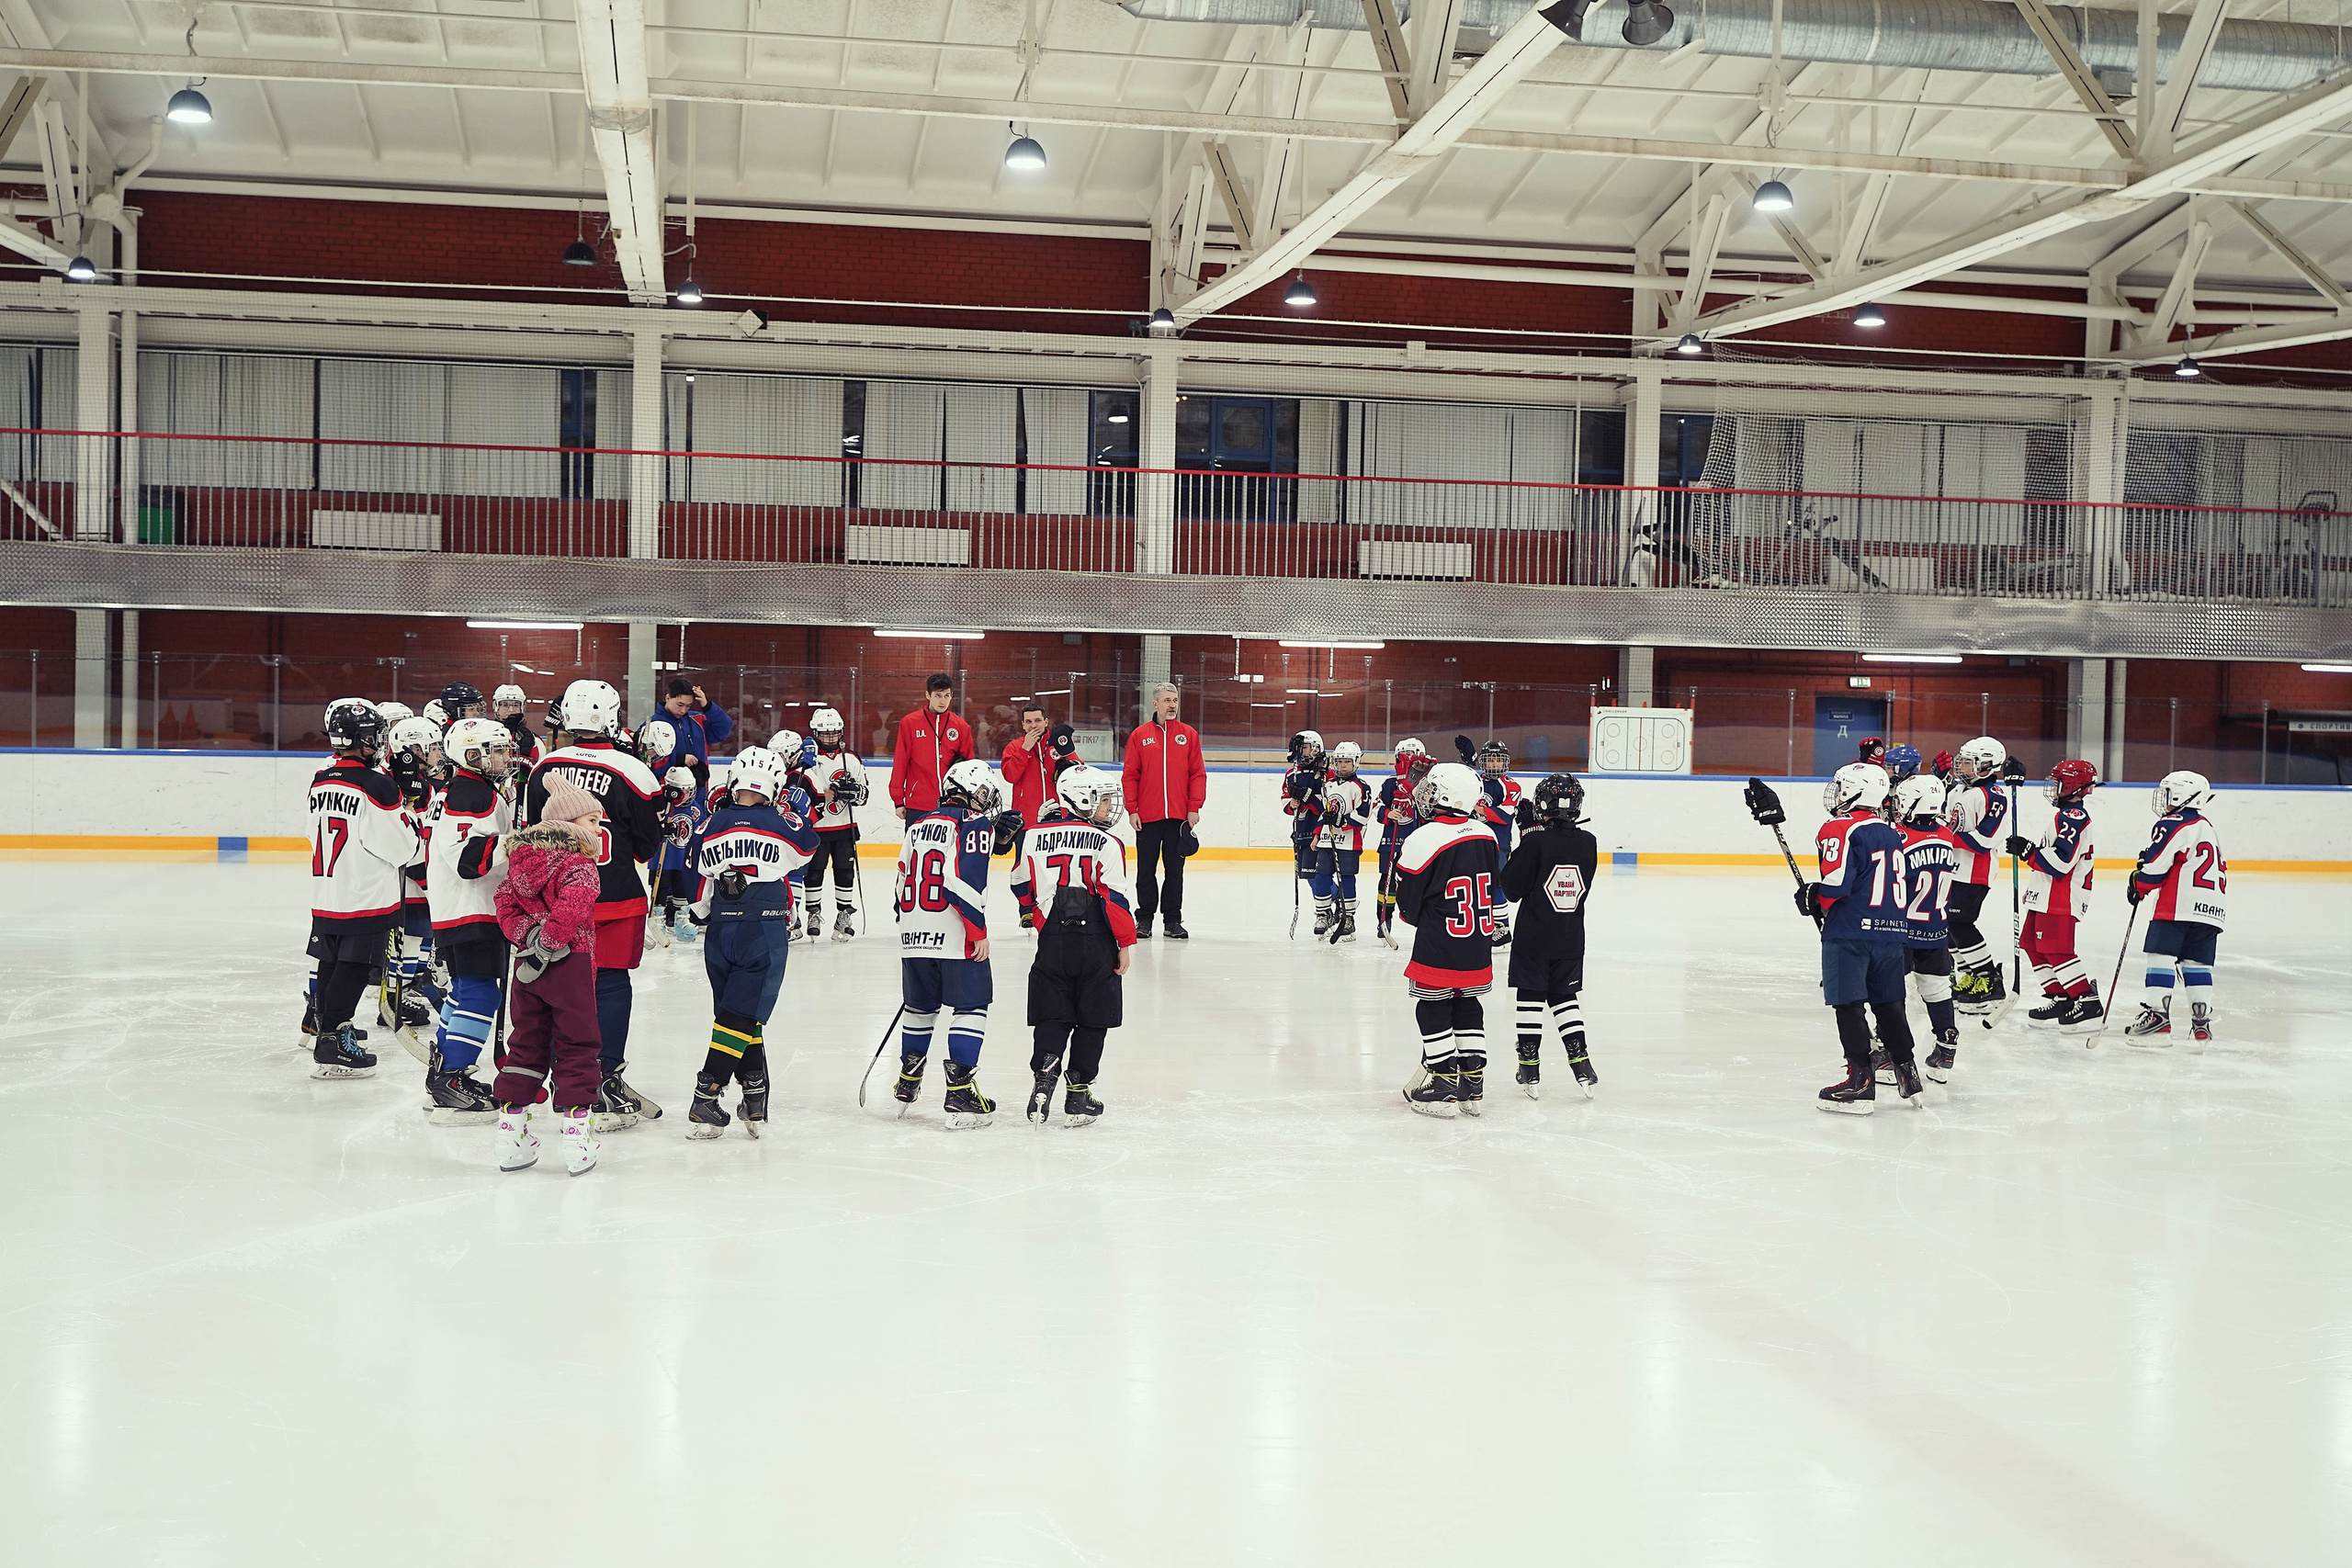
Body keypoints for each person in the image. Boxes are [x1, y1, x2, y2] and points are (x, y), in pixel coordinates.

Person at [525, 678, 666, 1129]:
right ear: (612, 716)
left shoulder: (542, 767)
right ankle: (604, 1079)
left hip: (557, 901)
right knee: (609, 984)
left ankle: (559, 1077)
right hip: (614, 900)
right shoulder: (634, 771)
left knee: (561, 986)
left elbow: (534, 838)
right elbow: (648, 845)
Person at [678, 749, 820, 1139]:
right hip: (763, 928)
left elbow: (694, 878)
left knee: (735, 1015)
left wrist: (702, 911)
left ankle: (754, 1092)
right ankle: (706, 1094)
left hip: (721, 929)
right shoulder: (781, 820)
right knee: (740, 1017)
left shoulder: (710, 823)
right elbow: (808, 847)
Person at [1796, 762, 1928, 1113]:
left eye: (1842, 787)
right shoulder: (1891, 832)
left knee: (1849, 1004)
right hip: (1892, 934)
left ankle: (1860, 1081)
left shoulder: (1839, 827)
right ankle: (1907, 1072)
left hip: (1852, 932)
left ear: (1856, 792)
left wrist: (1813, 895)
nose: (1836, 794)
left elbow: (1837, 885)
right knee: (1889, 1005)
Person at [492, 778, 606, 1177]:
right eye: (592, 820)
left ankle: (511, 1134)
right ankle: (577, 1136)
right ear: (571, 823)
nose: (598, 829)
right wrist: (552, 939)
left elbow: (503, 901)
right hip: (569, 963)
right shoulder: (580, 865)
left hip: (527, 967)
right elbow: (576, 902)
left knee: (526, 1042)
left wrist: (529, 936)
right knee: (577, 1044)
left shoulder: (521, 862)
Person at [1011, 767, 1137, 1125]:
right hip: (1097, 941)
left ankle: (1042, 1084)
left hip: (1052, 939)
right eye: (1103, 798)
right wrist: (1124, 943)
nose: (1109, 806)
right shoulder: (1108, 842)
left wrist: (1040, 921)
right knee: (1094, 1017)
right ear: (1082, 798)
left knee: (1052, 1012)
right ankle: (1078, 1096)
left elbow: (1021, 886)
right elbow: (1114, 898)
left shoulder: (1033, 836)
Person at [891, 758, 1014, 1126]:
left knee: (920, 1008)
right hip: (954, 932)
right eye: (983, 793)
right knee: (972, 1007)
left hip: (913, 932)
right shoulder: (972, 823)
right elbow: (965, 881)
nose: (986, 800)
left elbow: (900, 881)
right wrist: (977, 931)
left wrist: (910, 926)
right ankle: (960, 1092)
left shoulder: (918, 825)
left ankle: (907, 1079)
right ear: (969, 791)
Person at [305, 702, 418, 1080]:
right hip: (367, 893)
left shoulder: (321, 778)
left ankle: (326, 1027)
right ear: (365, 740)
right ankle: (333, 1038)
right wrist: (410, 804)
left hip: (327, 890)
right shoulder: (377, 785)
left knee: (330, 962)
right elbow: (405, 847)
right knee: (354, 966)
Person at [419, 716, 518, 1123]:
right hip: (471, 909)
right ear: (470, 754)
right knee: (481, 995)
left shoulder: (466, 789)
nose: (503, 757)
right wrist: (519, 842)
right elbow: (467, 860)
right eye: (494, 750)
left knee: (465, 991)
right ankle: (452, 1078)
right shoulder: (471, 793)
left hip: (457, 909)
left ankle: (445, 1070)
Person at [1394, 762, 1501, 1118]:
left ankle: (1442, 1084)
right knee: (1467, 1005)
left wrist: (1417, 919)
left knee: (1432, 1006)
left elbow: (1408, 904)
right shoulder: (1487, 834)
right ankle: (1473, 1084)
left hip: (1439, 942)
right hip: (1476, 943)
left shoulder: (1424, 837)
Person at [1501, 773, 1600, 1100]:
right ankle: (1582, 1064)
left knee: (1530, 997)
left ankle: (1529, 1066)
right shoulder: (1589, 842)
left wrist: (1529, 834)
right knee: (1564, 998)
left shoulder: (1535, 842)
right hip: (1571, 938)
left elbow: (1512, 889)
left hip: (1533, 937)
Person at [2124, 771, 2227, 1043]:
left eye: (2169, 794)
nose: (2164, 800)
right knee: (2197, 963)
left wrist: (2138, 882)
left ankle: (2157, 1018)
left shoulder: (2173, 823)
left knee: (2160, 955)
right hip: (2212, 908)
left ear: (2182, 796)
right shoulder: (2208, 827)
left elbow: (2156, 868)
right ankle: (2201, 1023)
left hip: (2177, 905)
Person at [2008, 759, 2103, 1033]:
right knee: (2031, 944)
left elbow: (2063, 862)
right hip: (2047, 894)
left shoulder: (2073, 817)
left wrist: (2028, 852)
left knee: (2056, 950)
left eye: (2058, 782)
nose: (2053, 788)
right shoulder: (2065, 816)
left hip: (2061, 896)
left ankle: (2086, 1000)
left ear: (2072, 787)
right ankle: (2061, 996)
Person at [1891, 774, 1964, 1085]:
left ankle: (1886, 1049)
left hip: (1902, 930)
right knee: (1936, 988)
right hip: (1936, 928)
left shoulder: (1899, 837)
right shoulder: (1947, 835)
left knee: (1890, 990)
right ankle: (1946, 1045)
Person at [381, 715, 447, 1047]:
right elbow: (409, 840)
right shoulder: (398, 786)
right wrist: (427, 879)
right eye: (432, 747)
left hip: (420, 878)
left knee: (421, 940)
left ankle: (401, 993)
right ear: (413, 750)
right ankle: (393, 998)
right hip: (408, 883)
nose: (438, 753)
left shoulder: (425, 785)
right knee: (410, 941)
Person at [1122, 682, 1206, 941]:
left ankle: (1173, 921)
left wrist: (1193, 808)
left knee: (1175, 871)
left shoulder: (1189, 735)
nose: (1172, 705)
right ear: (1155, 703)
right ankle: (1144, 920)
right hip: (1147, 817)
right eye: (1167, 700)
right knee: (1145, 870)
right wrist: (1132, 809)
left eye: (1176, 700)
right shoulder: (1140, 735)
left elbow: (1197, 774)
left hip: (1179, 819)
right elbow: (1130, 776)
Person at [1943, 736, 2019, 1018]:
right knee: (1950, 926)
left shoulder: (1994, 796)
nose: (1961, 765)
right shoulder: (1958, 791)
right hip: (1953, 869)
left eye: (1968, 762)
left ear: (1987, 766)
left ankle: (1989, 980)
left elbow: (1983, 840)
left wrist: (1947, 835)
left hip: (1976, 872)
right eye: (1961, 760)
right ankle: (1972, 976)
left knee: (1960, 923)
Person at [802, 706, 869, 941]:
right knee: (813, 873)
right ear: (815, 733)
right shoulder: (808, 759)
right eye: (824, 734)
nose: (830, 738)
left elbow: (864, 795)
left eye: (834, 733)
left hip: (844, 829)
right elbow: (801, 789)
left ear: (841, 732)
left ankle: (844, 915)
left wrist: (855, 792)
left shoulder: (851, 758)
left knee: (844, 872)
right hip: (817, 828)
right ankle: (813, 913)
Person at [1308, 741, 1374, 942]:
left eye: (1347, 761)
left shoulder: (1361, 787)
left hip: (1349, 843)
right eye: (1339, 761)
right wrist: (1317, 834)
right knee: (1321, 878)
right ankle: (1323, 915)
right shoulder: (1327, 785)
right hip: (1327, 841)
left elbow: (1364, 815)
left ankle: (1348, 918)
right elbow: (1323, 813)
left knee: (1347, 879)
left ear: (1356, 763)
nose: (1343, 765)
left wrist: (1342, 821)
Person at [890, 673, 975, 822]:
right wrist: (898, 800)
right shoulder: (910, 723)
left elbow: (970, 767)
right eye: (938, 695)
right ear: (928, 695)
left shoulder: (961, 727)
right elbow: (900, 762)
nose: (943, 701)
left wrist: (970, 798)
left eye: (946, 695)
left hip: (953, 804)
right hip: (918, 803)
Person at [1374, 742, 1430, 949]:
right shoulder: (1390, 783)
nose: (1407, 759)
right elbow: (1377, 805)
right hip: (1391, 842)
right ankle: (1384, 920)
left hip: (1418, 842)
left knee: (1420, 883)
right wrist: (1387, 813)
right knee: (1386, 883)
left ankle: (1425, 922)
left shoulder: (1428, 783)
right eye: (1404, 755)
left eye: (1411, 755)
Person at [1469, 739, 1523, 946]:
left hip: (1498, 844)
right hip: (1474, 840)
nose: (1493, 764)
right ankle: (1485, 925)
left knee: (1496, 884)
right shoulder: (1476, 781)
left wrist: (1479, 809)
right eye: (1489, 760)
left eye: (1497, 760)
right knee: (1478, 885)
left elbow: (1505, 815)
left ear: (1505, 763)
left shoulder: (1510, 785)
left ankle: (1502, 927)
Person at [648, 765, 706, 946]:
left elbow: (701, 829)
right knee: (661, 890)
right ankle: (657, 921)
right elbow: (647, 825)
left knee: (682, 890)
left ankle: (682, 921)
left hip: (683, 860)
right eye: (684, 791)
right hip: (661, 860)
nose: (687, 795)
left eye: (690, 791)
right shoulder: (660, 805)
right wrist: (659, 829)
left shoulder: (695, 809)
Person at [641, 678, 732, 793]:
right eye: (680, 705)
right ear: (668, 698)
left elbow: (723, 729)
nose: (683, 710)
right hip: (666, 794)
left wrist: (708, 707)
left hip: (698, 793)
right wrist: (678, 758)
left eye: (688, 706)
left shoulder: (697, 720)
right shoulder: (652, 726)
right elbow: (644, 759)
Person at [1282, 730, 1328, 923]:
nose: (1301, 752)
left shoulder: (1326, 772)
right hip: (1301, 830)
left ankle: (1330, 908)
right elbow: (1284, 803)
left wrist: (1308, 796)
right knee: (1308, 875)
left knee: (1318, 874)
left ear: (1316, 749)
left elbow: (1327, 806)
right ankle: (1332, 903)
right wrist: (1292, 803)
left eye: (1305, 748)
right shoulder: (1292, 774)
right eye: (1299, 748)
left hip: (1321, 832)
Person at [1001, 703, 1054, 829]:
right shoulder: (1014, 747)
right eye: (1029, 721)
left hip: (1055, 820)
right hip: (1025, 821)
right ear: (1023, 725)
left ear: (1046, 722)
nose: (1033, 725)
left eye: (1038, 720)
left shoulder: (1058, 745)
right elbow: (1010, 776)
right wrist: (1025, 749)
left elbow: (1077, 771)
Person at [492, 682, 545, 764]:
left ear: (522, 708)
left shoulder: (535, 741)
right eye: (505, 705)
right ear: (496, 708)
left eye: (515, 705)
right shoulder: (485, 736)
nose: (510, 710)